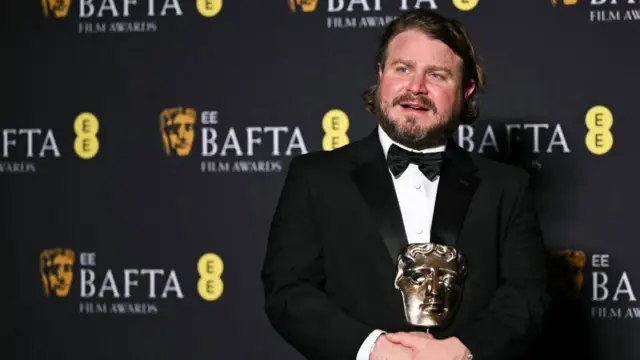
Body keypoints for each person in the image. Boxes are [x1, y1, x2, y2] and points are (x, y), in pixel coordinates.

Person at [261, 8, 549, 360]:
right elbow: (288, 292)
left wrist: (464, 351)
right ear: (381, 75)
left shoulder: (507, 187)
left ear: (466, 90)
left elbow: (526, 296)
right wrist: (373, 350)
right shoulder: (315, 177)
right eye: (403, 69)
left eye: (437, 75)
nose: (416, 87)